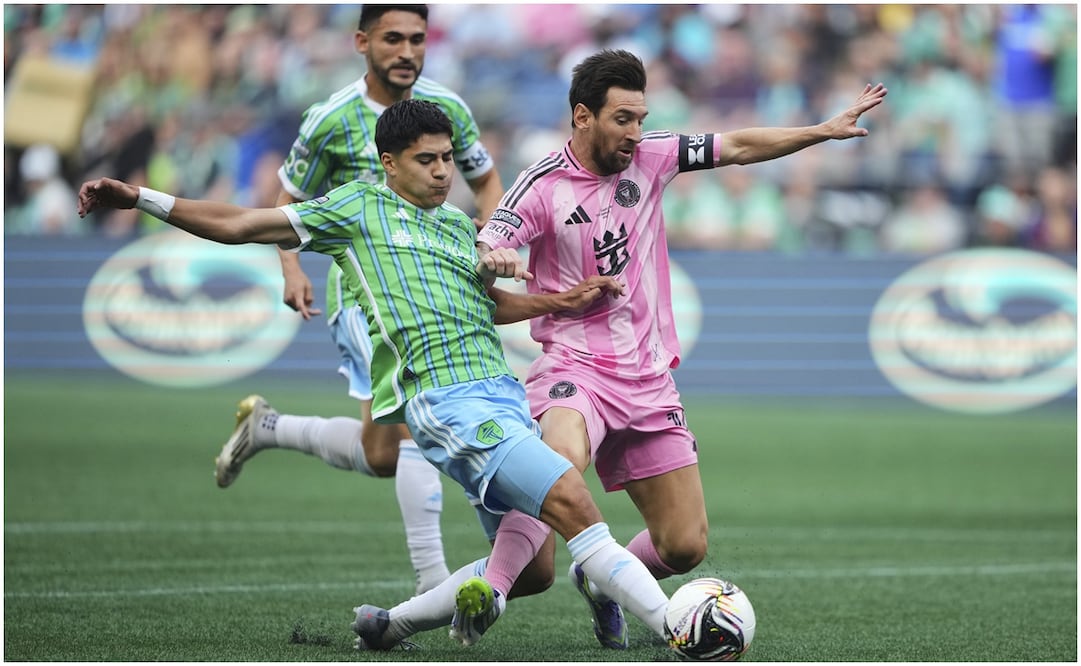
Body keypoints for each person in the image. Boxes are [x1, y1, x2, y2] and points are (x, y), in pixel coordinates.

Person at [343, 48, 888, 653]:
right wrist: (495, 256)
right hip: (573, 370)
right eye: (622, 118)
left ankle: (598, 580)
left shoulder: (653, 156)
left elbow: (735, 145)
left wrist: (821, 131)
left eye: (640, 118)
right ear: (583, 116)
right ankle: (487, 590)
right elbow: (492, 241)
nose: (635, 132)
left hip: (649, 379)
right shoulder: (541, 184)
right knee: (559, 464)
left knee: (684, 545)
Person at [77, 98, 668, 650]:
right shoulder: (355, 210)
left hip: (502, 396)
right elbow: (239, 224)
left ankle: (388, 626)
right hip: (446, 400)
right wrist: (139, 198)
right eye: (426, 160)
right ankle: (679, 626)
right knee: (571, 496)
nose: (443, 172)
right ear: (389, 162)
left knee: (531, 569)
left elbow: (486, 307)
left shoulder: (458, 226)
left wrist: (561, 301)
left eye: (447, 159)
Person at [213, 4, 507, 597]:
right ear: (361, 42)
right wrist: (291, 266)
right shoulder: (331, 118)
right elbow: (288, 198)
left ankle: (269, 428)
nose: (407, 51)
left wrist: (490, 240)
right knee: (413, 427)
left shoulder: (448, 110)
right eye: (392, 38)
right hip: (362, 295)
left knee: (381, 454)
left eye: (417, 39)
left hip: (433, 289)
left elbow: (487, 182)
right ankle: (433, 586)